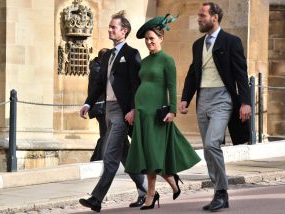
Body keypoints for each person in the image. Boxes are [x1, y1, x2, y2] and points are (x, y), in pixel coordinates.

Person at [179, 2, 251, 212]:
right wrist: (185, 98)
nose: (199, 19)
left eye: (202, 15)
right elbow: (193, 74)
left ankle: (221, 192)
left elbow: (241, 74)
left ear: (214, 17)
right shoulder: (197, 44)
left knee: (212, 143)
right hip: (203, 99)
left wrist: (245, 102)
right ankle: (219, 193)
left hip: (223, 98)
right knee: (209, 150)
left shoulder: (232, 42)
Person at [125, 14, 201, 210]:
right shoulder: (145, 61)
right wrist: (134, 109)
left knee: (152, 155)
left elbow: (171, 86)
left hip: (156, 114)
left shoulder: (167, 60)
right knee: (150, 155)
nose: (149, 42)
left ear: (161, 38)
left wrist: (173, 111)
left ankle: (151, 194)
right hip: (142, 113)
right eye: (147, 39)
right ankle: (172, 182)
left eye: (152, 38)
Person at [79, 10, 147, 212]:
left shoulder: (131, 54)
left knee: (109, 155)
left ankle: (96, 198)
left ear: (124, 31)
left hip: (122, 112)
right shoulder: (107, 55)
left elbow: (137, 84)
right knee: (125, 156)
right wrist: (88, 103)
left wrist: (134, 108)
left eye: (113, 27)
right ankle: (146, 191)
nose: (109, 30)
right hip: (108, 109)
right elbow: (99, 85)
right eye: (109, 27)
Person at [88, 48, 109, 162]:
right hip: (101, 107)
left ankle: (97, 158)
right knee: (105, 134)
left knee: (106, 134)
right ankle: (99, 159)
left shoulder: (97, 67)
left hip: (101, 107)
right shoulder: (97, 69)